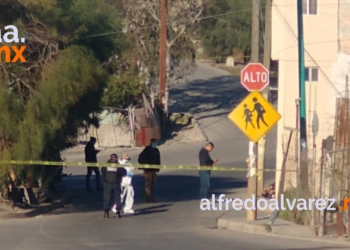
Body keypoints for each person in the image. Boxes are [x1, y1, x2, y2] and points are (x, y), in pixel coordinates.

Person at [101, 154, 126, 218]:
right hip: (116, 184)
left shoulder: (106, 165)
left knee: (107, 198)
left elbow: (103, 171)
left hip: (107, 184)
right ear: (116, 158)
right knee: (117, 198)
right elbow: (124, 172)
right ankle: (118, 212)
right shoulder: (118, 165)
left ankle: (106, 212)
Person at [138, 138, 160, 203]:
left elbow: (158, 160)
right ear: (151, 143)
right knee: (148, 184)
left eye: (155, 143)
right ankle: (148, 198)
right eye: (154, 143)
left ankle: (150, 197)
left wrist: (157, 168)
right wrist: (145, 165)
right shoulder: (147, 150)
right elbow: (140, 158)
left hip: (154, 170)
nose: (155, 144)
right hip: (148, 170)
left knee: (152, 184)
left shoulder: (156, 150)